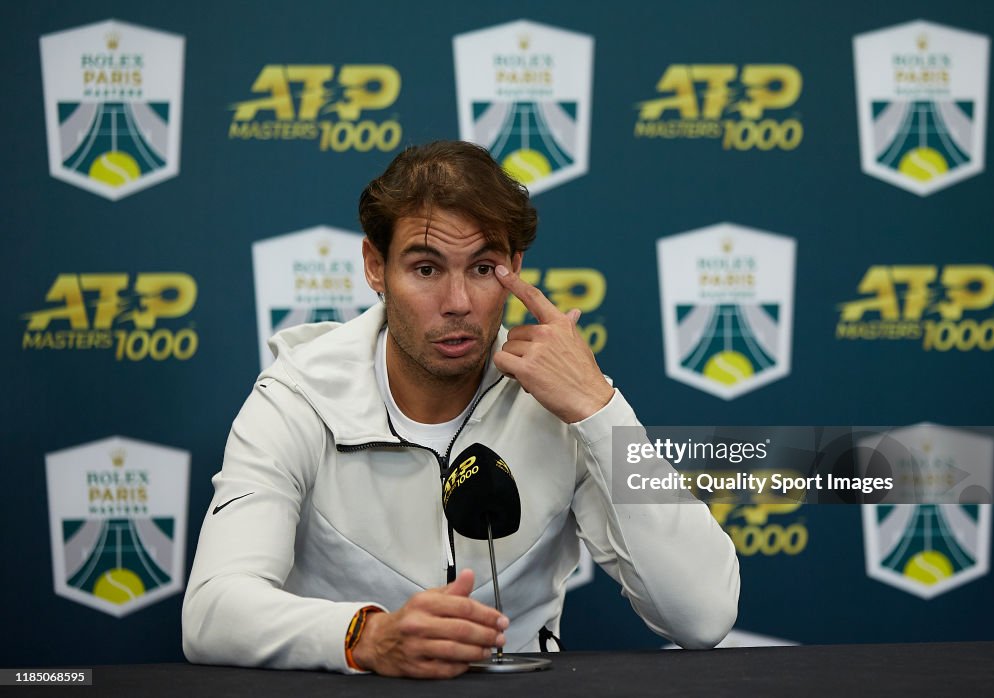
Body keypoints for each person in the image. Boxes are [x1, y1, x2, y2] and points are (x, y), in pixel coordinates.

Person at [182, 140, 739, 679]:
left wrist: (600, 410)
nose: (458, 304)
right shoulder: (298, 395)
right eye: (426, 269)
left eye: (482, 268)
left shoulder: (561, 397)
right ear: (375, 267)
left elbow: (702, 615)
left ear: (514, 267)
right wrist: (367, 637)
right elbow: (212, 611)